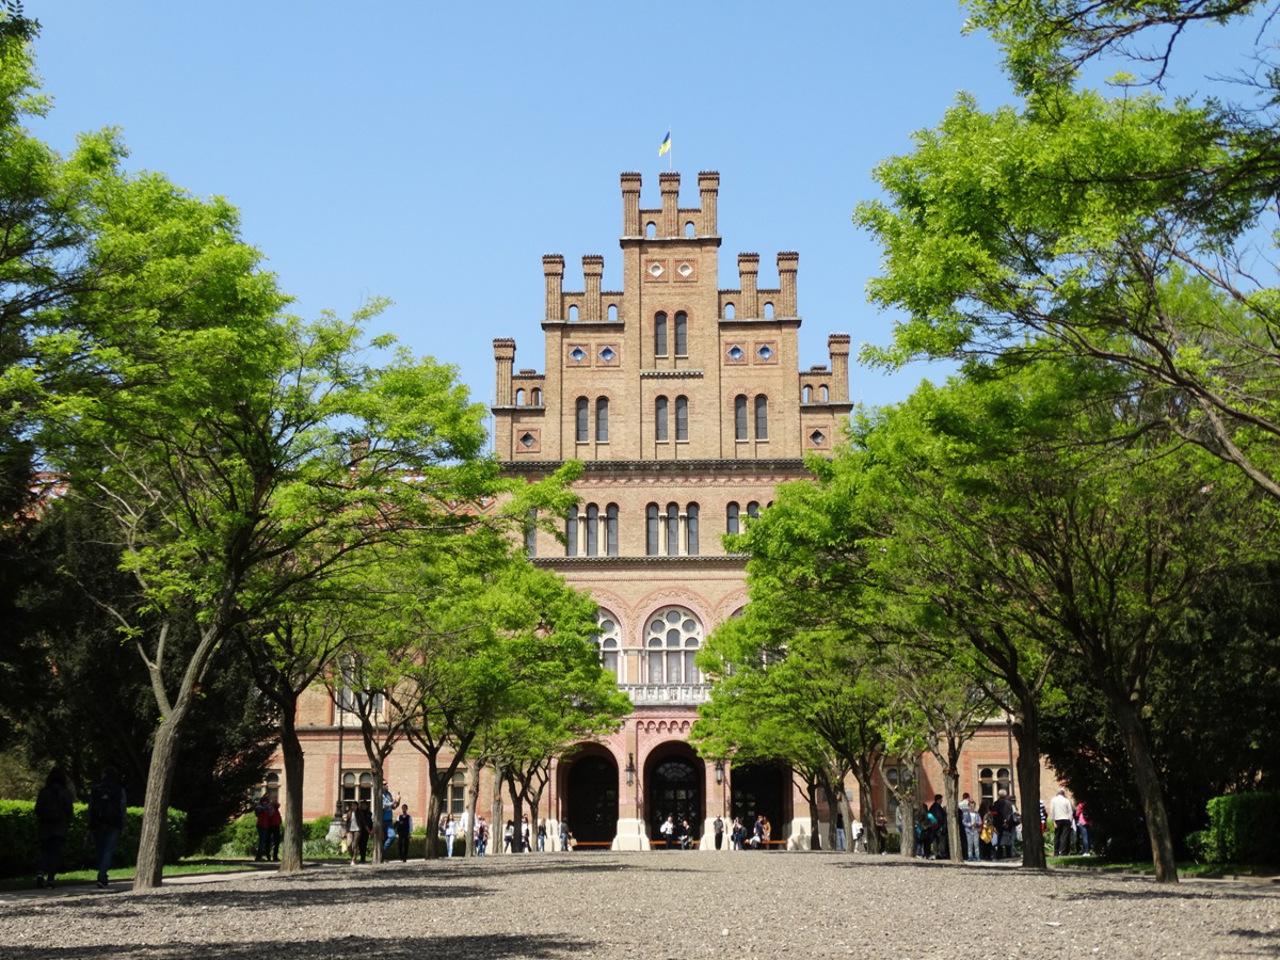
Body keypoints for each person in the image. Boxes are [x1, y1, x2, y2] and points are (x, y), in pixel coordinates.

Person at [87, 765, 127, 889]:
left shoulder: (96, 789)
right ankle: (102, 875)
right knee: (108, 850)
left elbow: (91, 808)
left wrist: (89, 826)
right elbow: (122, 808)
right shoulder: (119, 789)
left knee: (100, 849)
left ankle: (101, 874)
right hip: (114, 823)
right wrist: (123, 825)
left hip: (98, 823)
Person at [34, 767, 74, 889]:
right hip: (59, 827)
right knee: (55, 852)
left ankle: (40, 871)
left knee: (44, 851)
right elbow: (69, 811)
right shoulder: (66, 792)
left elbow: (37, 809)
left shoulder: (44, 792)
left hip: (45, 826)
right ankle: (51, 879)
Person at [1049, 788, 1074, 857]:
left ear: (1057, 793)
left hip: (1058, 819)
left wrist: (1053, 821)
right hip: (1066, 819)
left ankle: (1056, 852)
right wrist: (1071, 821)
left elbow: (1052, 811)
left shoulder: (1053, 800)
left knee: (1057, 836)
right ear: (1063, 794)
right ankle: (1063, 852)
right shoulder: (1066, 801)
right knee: (1064, 836)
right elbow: (1070, 811)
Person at [994, 789, 1017, 860]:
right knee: (1008, 838)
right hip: (1008, 823)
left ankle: (999, 854)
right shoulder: (1009, 803)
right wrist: (1006, 821)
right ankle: (1008, 854)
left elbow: (995, 814)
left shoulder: (996, 803)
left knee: (999, 839)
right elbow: (1011, 813)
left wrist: (999, 822)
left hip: (999, 823)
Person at [253, 795, 272, 862]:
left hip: (265, 826)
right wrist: (267, 807)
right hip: (261, 825)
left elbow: (270, 814)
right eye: (265, 801)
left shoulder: (266, 808)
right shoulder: (259, 807)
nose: (266, 803)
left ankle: (260, 856)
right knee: (261, 842)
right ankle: (258, 857)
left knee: (263, 842)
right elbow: (259, 811)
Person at [380, 784, 397, 853]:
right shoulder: (380, 794)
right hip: (382, 819)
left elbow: (393, 807)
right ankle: (381, 856)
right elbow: (383, 805)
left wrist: (397, 802)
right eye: (384, 784)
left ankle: (382, 851)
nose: (386, 785)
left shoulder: (388, 794)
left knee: (392, 836)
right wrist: (392, 803)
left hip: (389, 819)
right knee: (382, 838)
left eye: (386, 784)